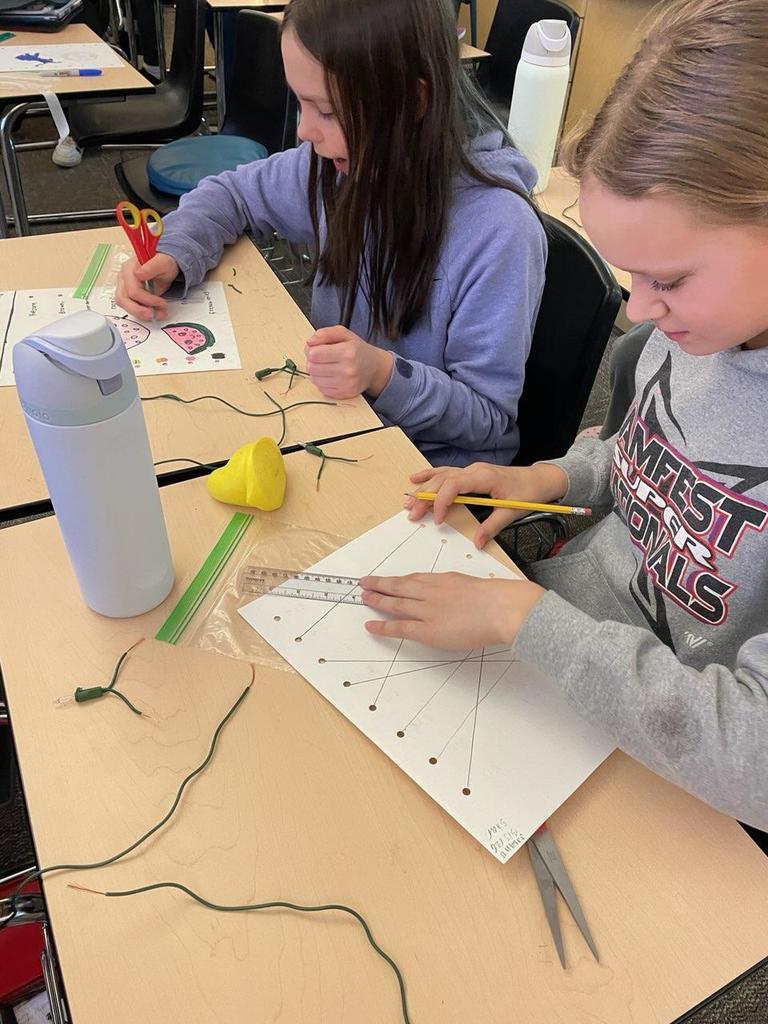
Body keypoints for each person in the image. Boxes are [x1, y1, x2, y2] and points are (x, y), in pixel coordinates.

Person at [359, 0, 768, 833]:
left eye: (671, 279)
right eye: (633, 277)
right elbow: (648, 455)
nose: (640, 309)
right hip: (559, 654)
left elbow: (752, 754)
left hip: (679, 768)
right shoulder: (700, 329)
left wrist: (521, 621)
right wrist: (551, 477)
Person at [115, 0, 546, 467]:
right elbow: (234, 193)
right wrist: (176, 251)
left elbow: (488, 420)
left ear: (415, 101)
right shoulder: (343, 163)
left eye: (326, 110)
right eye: (299, 102)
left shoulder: (500, 230)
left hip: (427, 468)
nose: (303, 132)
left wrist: (382, 373)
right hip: (339, 423)